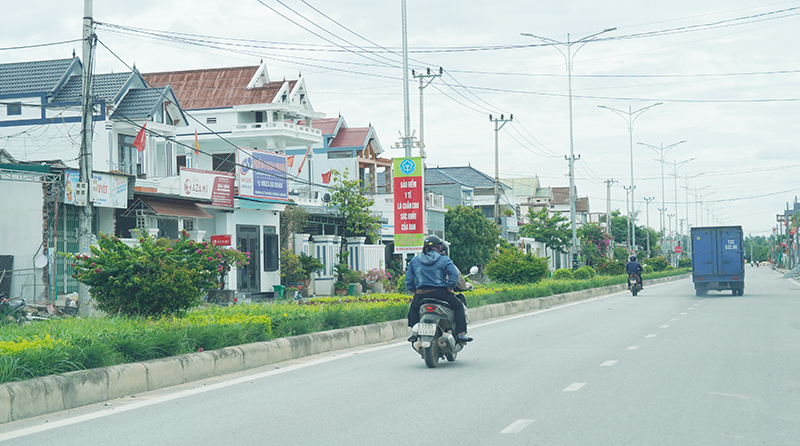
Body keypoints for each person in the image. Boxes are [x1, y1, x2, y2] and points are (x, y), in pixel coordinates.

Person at [406, 235, 472, 343]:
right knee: (458, 307)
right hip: (441, 293)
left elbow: (408, 279)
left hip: (421, 294)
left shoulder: (415, 260)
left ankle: (414, 333)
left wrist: (413, 290)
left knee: (413, 308)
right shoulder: (444, 259)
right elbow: (454, 275)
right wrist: (450, 287)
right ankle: (460, 334)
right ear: (438, 246)